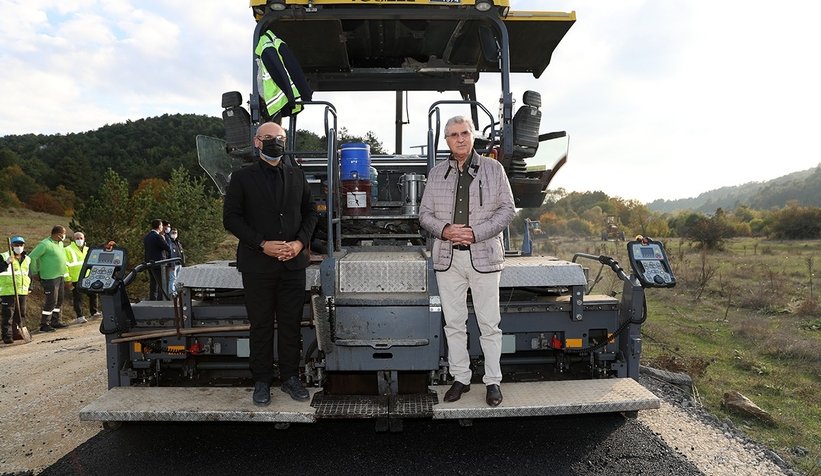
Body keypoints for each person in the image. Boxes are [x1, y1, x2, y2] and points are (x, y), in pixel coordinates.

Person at [418, 115, 515, 407]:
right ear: (446, 141)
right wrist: (445, 230)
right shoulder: (436, 174)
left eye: (464, 133)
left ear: (472, 136)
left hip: (484, 257)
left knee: (489, 324)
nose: (459, 139)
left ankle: (493, 381)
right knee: (454, 324)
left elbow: (508, 210)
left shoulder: (493, 169)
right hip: (448, 259)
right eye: (452, 135)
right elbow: (424, 215)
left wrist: (475, 233)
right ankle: (460, 378)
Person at [223, 121, 318, 405]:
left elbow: (311, 213)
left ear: (285, 141)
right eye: (268, 138)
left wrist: (299, 243)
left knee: (290, 323)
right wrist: (263, 244)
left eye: (279, 138)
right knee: (261, 325)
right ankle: (262, 381)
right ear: (257, 142)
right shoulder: (242, 178)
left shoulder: (297, 175)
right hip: (257, 265)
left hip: (292, 264)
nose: (274, 142)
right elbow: (231, 218)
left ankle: (290, 377)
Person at [27, 226, 70, 332]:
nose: (64, 236)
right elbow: (32, 256)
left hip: (60, 276)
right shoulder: (45, 244)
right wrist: (34, 272)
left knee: (59, 300)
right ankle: (44, 324)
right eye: (63, 233)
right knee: (51, 301)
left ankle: (55, 321)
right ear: (57, 234)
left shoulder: (60, 243)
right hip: (49, 277)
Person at [1, 236, 31, 344]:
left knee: (21, 313)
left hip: (22, 291)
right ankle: (7, 336)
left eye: (21, 245)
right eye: (16, 245)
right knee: (8, 314)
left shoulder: (27, 259)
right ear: (11, 246)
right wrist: (6, 263)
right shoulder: (4, 256)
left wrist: (29, 287)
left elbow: (28, 274)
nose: (19, 247)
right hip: (8, 290)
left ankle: (17, 333)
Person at [65, 231, 100, 323]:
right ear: (73, 239)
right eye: (77, 238)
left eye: (81, 238)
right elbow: (65, 265)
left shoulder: (88, 249)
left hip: (89, 276)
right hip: (75, 278)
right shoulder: (68, 250)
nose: (79, 240)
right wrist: (68, 279)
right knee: (78, 298)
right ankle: (80, 316)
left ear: (84, 239)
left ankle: (94, 312)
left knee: (93, 294)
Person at [143, 219, 171, 300]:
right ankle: (160, 300)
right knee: (161, 284)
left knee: (153, 283)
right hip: (159, 263)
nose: (162, 227)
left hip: (149, 263)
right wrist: (164, 238)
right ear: (159, 226)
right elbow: (167, 247)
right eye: (162, 225)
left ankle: (152, 299)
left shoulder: (147, 236)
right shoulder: (157, 237)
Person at [166, 227, 185, 297]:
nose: (174, 234)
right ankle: (172, 293)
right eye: (173, 233)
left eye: (175, 233)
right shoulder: (169, 242)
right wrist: (171, 265)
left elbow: (182, 253)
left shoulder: (178, 242)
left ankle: (178, 292)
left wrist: (183, 264)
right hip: (173, 265)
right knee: (173, 279)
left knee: (178, 279)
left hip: (179, 264)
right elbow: (170, 254)